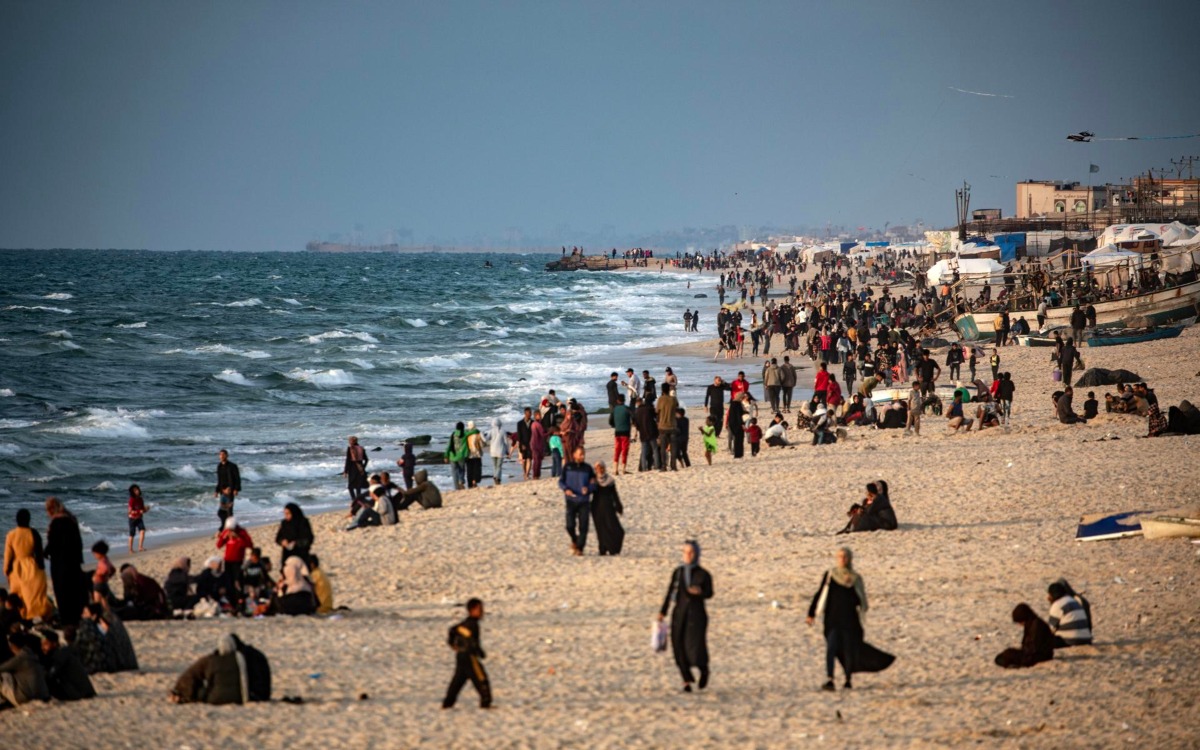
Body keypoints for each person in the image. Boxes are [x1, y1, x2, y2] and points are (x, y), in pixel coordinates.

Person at [806, 547, 867, 690]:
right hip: (832, 620)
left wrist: (849, 585)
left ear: (850, 559)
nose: (842, 559)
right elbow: (820, 594)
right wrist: (811, 614)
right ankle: (830, 679)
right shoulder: (830, 575)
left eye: (845, 557)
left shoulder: (855, 578)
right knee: (831, 649)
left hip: (849, 621)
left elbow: (861, 601)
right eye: (840, 556)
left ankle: (847, 680)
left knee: (847, 650)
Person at [658, 540, 712, 692]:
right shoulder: (678, 572)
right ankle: (686, 681)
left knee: (696, 647)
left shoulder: (703, 574)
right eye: (685, 552)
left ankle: (703, 670)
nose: (688, 556)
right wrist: (663, 611)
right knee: (678, 645)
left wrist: (700, 592)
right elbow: (670, 592)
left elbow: (710, 593)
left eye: (691, 552)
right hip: (679, 614)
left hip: (696, 616)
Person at [170, 633, 260, 705]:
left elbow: (191, 675)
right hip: (240, 697)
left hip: (215, 698)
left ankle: (179, 695)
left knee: (200, 691)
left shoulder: (211, 660)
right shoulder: (242, 657)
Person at [442, 598, 491, 709]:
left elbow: (453, 630)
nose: (482, 611)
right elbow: (471, 639)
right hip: (469, 656)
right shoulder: (471, 624)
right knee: (481, 679)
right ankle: (486, 703)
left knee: (458, 681)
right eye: (479, 609)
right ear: (472, 610)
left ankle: (447, 704)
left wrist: (452, 643)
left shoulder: (466, 623)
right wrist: (479, 651)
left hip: (461, 655)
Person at [4, 510, 53, 622]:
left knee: (18, 594)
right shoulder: (34, 533)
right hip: (32, 565)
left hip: (17, 567)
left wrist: (6, 570)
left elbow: (8, 555)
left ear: (16, 520)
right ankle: (41, 614)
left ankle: (23, 617)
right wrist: (41, 568)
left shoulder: (11, 534)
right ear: (29, 519)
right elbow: (39, 553)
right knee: (34, 594)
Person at [44, 497, 86, 626]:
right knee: (73, 589)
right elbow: (78, 542)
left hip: (60, 563)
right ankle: (77, 616)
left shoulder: (56, 523)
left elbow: (52, 544)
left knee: (62, 591)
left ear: (51, 509)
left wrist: (44, 553)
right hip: (74, 561)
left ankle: (66, 619)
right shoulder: (71, 519)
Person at [559, 447, 596, 556]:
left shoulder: (588, 468)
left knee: (584, 526)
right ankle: (575, 541)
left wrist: (588, 488)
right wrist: (566, 489)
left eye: (583, 454)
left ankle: (580, 548)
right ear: (574, 455)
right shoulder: (568, 467)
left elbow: (594, 484)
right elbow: (561, 481)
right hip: (571, 500)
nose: (582, 456)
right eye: (580, 454)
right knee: (569, 526)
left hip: (584, 501)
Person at [39, 629, 95, 701]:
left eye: (46, 644)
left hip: (79, 693)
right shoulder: (64, 651)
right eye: (42, 644)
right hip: (85, 691)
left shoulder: (60, 655)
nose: (43, 647)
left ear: (54, 644)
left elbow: (51, 674)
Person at [994, 603, 1054, 669]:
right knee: (1002, 656)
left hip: (1040, 655)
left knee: (1007, 656)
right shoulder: (1031, 623)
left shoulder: (1037, 626)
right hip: (1032, 653)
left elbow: (1034, 648)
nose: (1020, 624)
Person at [0, 632, 50, 708]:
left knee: (4, 676)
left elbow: (2, 668)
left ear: (12, 645)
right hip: (42, 694)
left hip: (28, 698)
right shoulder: (31, 654)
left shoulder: (20, 658)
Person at [590, 461, 624, 556]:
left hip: (609, 507)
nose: (600, 470)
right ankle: (602, 549)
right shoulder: (593, 481)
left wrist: (619, 506)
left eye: (601, 468)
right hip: (596, 508)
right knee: (600, 530)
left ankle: (613, 549)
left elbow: (615, 495)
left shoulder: (610, 480)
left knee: (617, 530)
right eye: (598, 468)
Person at [1047, 581, 1092, 647]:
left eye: (1049, 595)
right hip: (1086, 639)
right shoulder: (1074, 601)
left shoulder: (1057, 605)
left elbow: (1050, 630)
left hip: (1070, 641)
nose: (1047, 598)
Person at [216, 517, 253, 596]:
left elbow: (250, 545)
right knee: (229, 580)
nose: (230, 531)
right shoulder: (226, 531)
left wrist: (238, 538)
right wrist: (223, 537)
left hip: (238, 561)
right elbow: (218, 545)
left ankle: (239, 596)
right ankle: (230, 596)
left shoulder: (242, 532)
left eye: (231, 529)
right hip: (228, 560)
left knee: (238, 580)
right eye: (229, 529)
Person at [276, 503, 313, 569]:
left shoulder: (303, 522)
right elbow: (278, 538)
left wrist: (296, 543)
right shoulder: (284, 523)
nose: (286, 516)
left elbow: (309, 539)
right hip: (287, 554)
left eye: (288, 514)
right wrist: (282, 542)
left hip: (301, 554)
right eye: (285, 514)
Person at [214, 449, 241, 533]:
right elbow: (219, 480)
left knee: (229, 511)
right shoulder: (219, 466)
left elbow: (237, 478)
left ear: (227, 456)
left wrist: (236, 489)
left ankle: (229, 529)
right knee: (221, 512)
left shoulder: (232, 466)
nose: (222, 456)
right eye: (220, 455)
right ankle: (225, 527)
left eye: (223, 455)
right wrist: (216, 490)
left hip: (230, 491)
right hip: (222, 492)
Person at [656, 383, 679, 471]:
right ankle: (673, 466)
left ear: (662, 390)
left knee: (663, 447)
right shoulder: (673, 399)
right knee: (673, 447)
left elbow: (657, 411)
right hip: (672, 426)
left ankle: (664, 466)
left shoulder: (660, 399)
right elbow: (677, 406)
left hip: (663, 426)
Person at [609, 394, 632, 475]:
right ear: (624, 400)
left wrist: (615, 425)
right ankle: (623, 469)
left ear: (617, 400)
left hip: (617, 432)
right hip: (626, 432)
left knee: (617, 451)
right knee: (624, 451)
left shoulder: (614, 409)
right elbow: (633, 417)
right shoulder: (627, 409)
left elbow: (610, 421)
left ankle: (615, 470)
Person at [445, 422, 469, 490]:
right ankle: (461, 481)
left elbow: (449, 445)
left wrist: (446, 455)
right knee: (462, 470)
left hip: (452, 456)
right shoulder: (465, 434)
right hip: (461, 456)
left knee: (454, 473)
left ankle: (456, 488)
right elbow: (471, 432)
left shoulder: (453, 434)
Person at [127, 484, 148, 553]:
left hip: (139, 518)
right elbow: (129, 512)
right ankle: (130, 549)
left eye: (137, 489)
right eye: (135, 490)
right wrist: (139, 511)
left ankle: (140, 547)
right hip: (132, 519)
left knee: (142, 531)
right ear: (132, 492)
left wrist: (145, 509)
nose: (137, 491)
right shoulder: (131, 500)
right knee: (132, 534)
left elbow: (142, 509)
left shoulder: (140, 499)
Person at [487, 418, 507, 486]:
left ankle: (498, 478)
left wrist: (481, 434)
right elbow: (506, 442)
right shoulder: (503, 431)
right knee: (499, 466)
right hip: (500, 451)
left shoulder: (491, 431)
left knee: (495, 466)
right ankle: (496, 477)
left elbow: (486, 439)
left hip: (492, 451)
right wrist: (507, 451)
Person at [465, 421, 485, 488]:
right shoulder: (478, 433)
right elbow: (481, 445)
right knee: (477, 468)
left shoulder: (466, 434)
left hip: (469, 454)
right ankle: (475, 481)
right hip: (477, 454)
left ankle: (470, 482)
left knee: (469, 469)